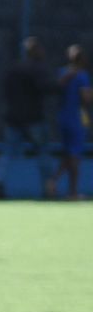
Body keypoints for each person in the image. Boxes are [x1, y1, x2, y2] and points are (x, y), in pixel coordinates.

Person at [0, 36, 57, 200]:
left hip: (13, 118)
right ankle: (48, 190)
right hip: (34, 119)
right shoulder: (38, 69)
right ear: (34, 51)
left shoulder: (14, 69)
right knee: (43, 154)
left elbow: (6, 91)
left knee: (6, 154)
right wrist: (63, 83)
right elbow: (47, 88)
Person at [53, 44, 92, 200]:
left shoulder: (62, 73)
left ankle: (55, 182)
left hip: (63, 118)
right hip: (76, 119)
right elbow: (86, 99)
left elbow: (56, 89)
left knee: (68, 154)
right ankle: (72, 191)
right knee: (74, 156)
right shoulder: (82, 75)